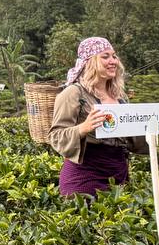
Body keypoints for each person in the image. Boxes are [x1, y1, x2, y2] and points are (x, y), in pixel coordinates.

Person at [48, 37, 149, 197]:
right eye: (105, 56)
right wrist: (83, 128)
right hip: (84, 175)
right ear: (90, 62)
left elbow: (131, 138)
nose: (113, 61)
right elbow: (55, 136)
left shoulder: (120, 97)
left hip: (117, 174)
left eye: (114, 56)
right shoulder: (73, 93)